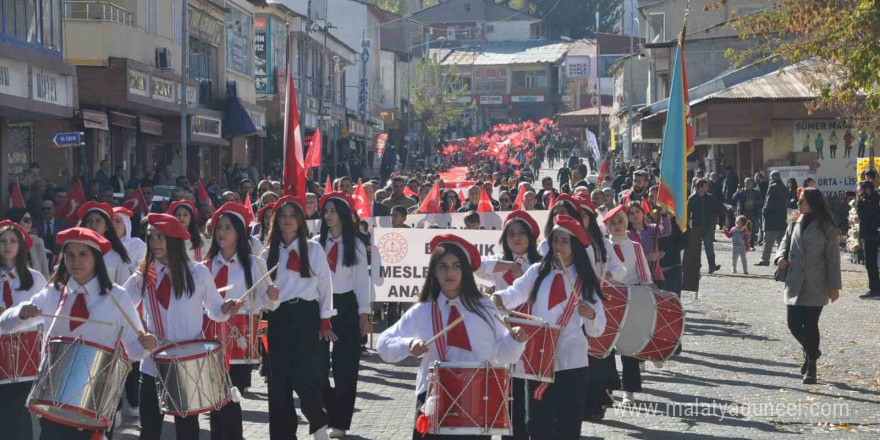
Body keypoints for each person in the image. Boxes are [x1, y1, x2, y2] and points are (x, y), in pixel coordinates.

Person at [2, 227, 155, 440]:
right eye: (70, 256)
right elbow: (4, 325)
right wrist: (21, 313)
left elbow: (135, 349)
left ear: (96, 258)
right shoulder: (53, 292)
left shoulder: (116, 297)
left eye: (84, 254)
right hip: (52, 401)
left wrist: (148, 344)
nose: (76, 261)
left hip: (95, 402)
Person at [378, 234, 528, 440]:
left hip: (476, 403)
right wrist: (408, 344)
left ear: (465, 271)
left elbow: (505, 355)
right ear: (434, 273)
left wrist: (516, 340)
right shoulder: (422, 311)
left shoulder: (485, 308)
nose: (450, 272)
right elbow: (383, 344)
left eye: (456, 266)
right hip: (433, 403)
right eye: (443, 266)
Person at [123, 213, 240, 440]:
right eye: (151, 237)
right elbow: (122, 305)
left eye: (160, 237)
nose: (154, 242)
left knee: (187, 430)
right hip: (152, 362)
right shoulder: (145, 273)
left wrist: (225, 308)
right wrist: (138, 333)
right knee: (149, 429)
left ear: (174, 240)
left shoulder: (198, 272)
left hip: (187, 362)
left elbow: (215, 310)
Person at [493, 216, 606, 439]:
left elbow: (598, 329)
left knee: (568, 426)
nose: (559, 246)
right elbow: (515, 294)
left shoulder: (585, 278)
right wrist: (498, 298)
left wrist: (591, 314)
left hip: (571, 361)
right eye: (555, 240)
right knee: (536, 424)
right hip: (537, 361)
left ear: (574, 245)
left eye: (565, 241)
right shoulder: (537, 271)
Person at [259, 196, 334, 440]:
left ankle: (318, 422)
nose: (287, 220)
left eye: (292, 215)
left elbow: (325, 286)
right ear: (275, 221)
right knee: (278, 380)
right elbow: (264, 300)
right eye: (282, 216)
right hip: (279, 318)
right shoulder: (267, 254)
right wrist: (270, 297)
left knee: (306, 376)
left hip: (307, 316)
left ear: (301, 220)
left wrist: (325, 320)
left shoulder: (313, 249)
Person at [204, 203, 279, 440]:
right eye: (218, 228)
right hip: (210, 335)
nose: (221, 233)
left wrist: (272, 296)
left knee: (230, 395)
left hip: (239, 337)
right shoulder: (205, 265)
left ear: (239, 231)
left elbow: (264, 302)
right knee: (214, 398)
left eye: (227, 227)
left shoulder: (254, 262)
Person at [317, 192, 372, 438]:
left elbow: (362, 282)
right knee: (317, 367)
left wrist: (364, 314)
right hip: (319, 305)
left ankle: (340, 422)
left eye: (333, 211)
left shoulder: (356, 245)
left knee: (345, 367)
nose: (328, 216)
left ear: (343, 214)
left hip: (347, 305)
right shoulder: (316, 243)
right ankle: (330, 407)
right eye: (325, 211)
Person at [775, 188, 841, 384]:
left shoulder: (827, 226)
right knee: (793, 323)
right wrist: (779, 257)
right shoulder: (795, 221)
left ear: (812, 202)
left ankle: (811, 368)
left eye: (802, 200)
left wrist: (834, 286)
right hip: (795, 280)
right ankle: (813, 351)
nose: (798, 203)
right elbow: (784, 243)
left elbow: (833, 259)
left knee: (811, 325)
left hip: (816, 281)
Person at [0, 220, 47, 440]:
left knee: (18, 414)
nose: (7, 245)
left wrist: (17, 317)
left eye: (12, 241)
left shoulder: (35, 278)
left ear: (21, 245)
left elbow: (43, 317)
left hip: (26, 360)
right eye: (2, 240)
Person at [604, 204, 652, 404]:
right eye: (612, 223)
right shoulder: (602, 246)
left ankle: (629, 389)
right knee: (605, 347)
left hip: (630, 299)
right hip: (606, 300)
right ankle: (606, 387)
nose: (617, 226)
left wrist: (649, 292)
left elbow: (644, 274)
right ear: (606, 226)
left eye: (620, 221)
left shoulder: (635, 246)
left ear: (627, 223)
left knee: (628, 346)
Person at [77, 202, 132, 285]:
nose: (93, 225)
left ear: (106, 227)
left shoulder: (117, 255)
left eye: (98, 221)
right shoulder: (74, 251)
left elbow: (124, 288)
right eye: (89, 221)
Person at [685, 179, 721, 277]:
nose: (707, 188)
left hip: (708, 226)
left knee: (709, 247)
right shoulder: (692, 198)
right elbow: (687, 213)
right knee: (696, 248)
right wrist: (687, 226)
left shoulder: (710, 197)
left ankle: (712, 266)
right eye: (705, 186)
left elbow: (717, 206)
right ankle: (696, 267)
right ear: (700, 187)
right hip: (696, 226)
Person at [4, 208, 50, 279]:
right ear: (15, 220)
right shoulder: (3, 243)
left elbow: (45, 272)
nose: (30, 223)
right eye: (26, 220)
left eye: (30, 220)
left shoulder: (37, 242)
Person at [759, 171, 790, 266]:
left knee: (768, 241)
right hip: (782, 218)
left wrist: (764, 212)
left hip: (771, 218)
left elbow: (769, 201)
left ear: (772, 177)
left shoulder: (772, 186)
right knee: (781, 241)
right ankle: (780, 258)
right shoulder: (785, 188)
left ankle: (765, 260)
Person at [856, 179, 880, 298]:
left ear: (868, 189)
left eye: (862, 190)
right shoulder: (870, 200)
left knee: (871, 263)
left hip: (872, 236)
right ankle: (875, 287)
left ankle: (875, 289)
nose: (860, 193)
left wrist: (860, 203)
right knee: (870, 263)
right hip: (869, 235)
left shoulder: (874, 200)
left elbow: (865, 217)